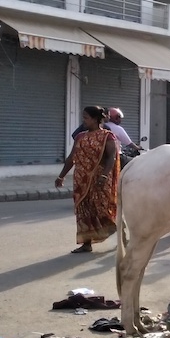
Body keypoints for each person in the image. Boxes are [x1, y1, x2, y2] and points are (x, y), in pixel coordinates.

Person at [56, 105, 119, 254]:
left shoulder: (107, 136)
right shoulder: (80, 137)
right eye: (83, 117)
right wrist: (61, 176)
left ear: (96, 119)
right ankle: (86, 243)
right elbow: (72, 158)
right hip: (81, 180)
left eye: (86, 118)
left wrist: (104, 175)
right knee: (84, 211)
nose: (83, 120)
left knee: (102, 210)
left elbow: (112, 157)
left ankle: (116, 228)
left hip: (100, 179)